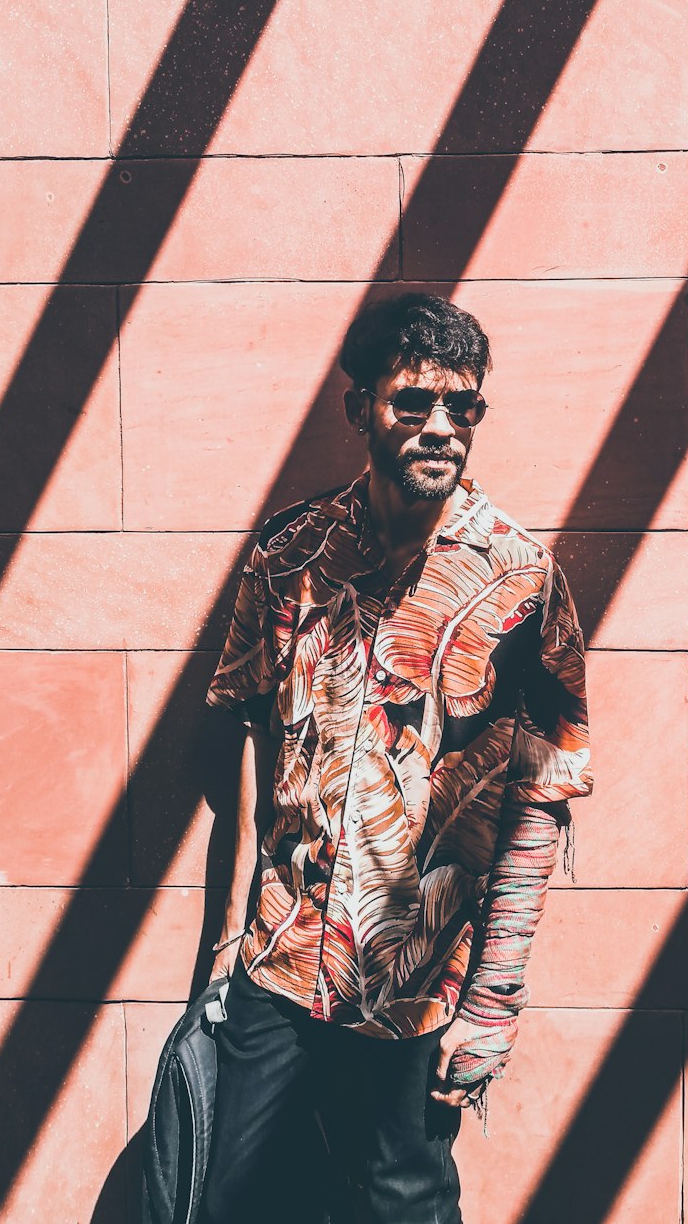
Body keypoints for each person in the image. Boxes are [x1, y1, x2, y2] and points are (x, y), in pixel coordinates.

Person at [199, 291, 592, 1223]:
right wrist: (226, 943)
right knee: (231, 1205)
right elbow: (252, 742)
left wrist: (493, 1001)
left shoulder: (521, 580)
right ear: (360, 409)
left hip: (420, 986)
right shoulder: (289, 558)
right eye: (413, 404)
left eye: (464, 407)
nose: (441, 428)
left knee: (401, 1207)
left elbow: (544, 800)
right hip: (281, 964)